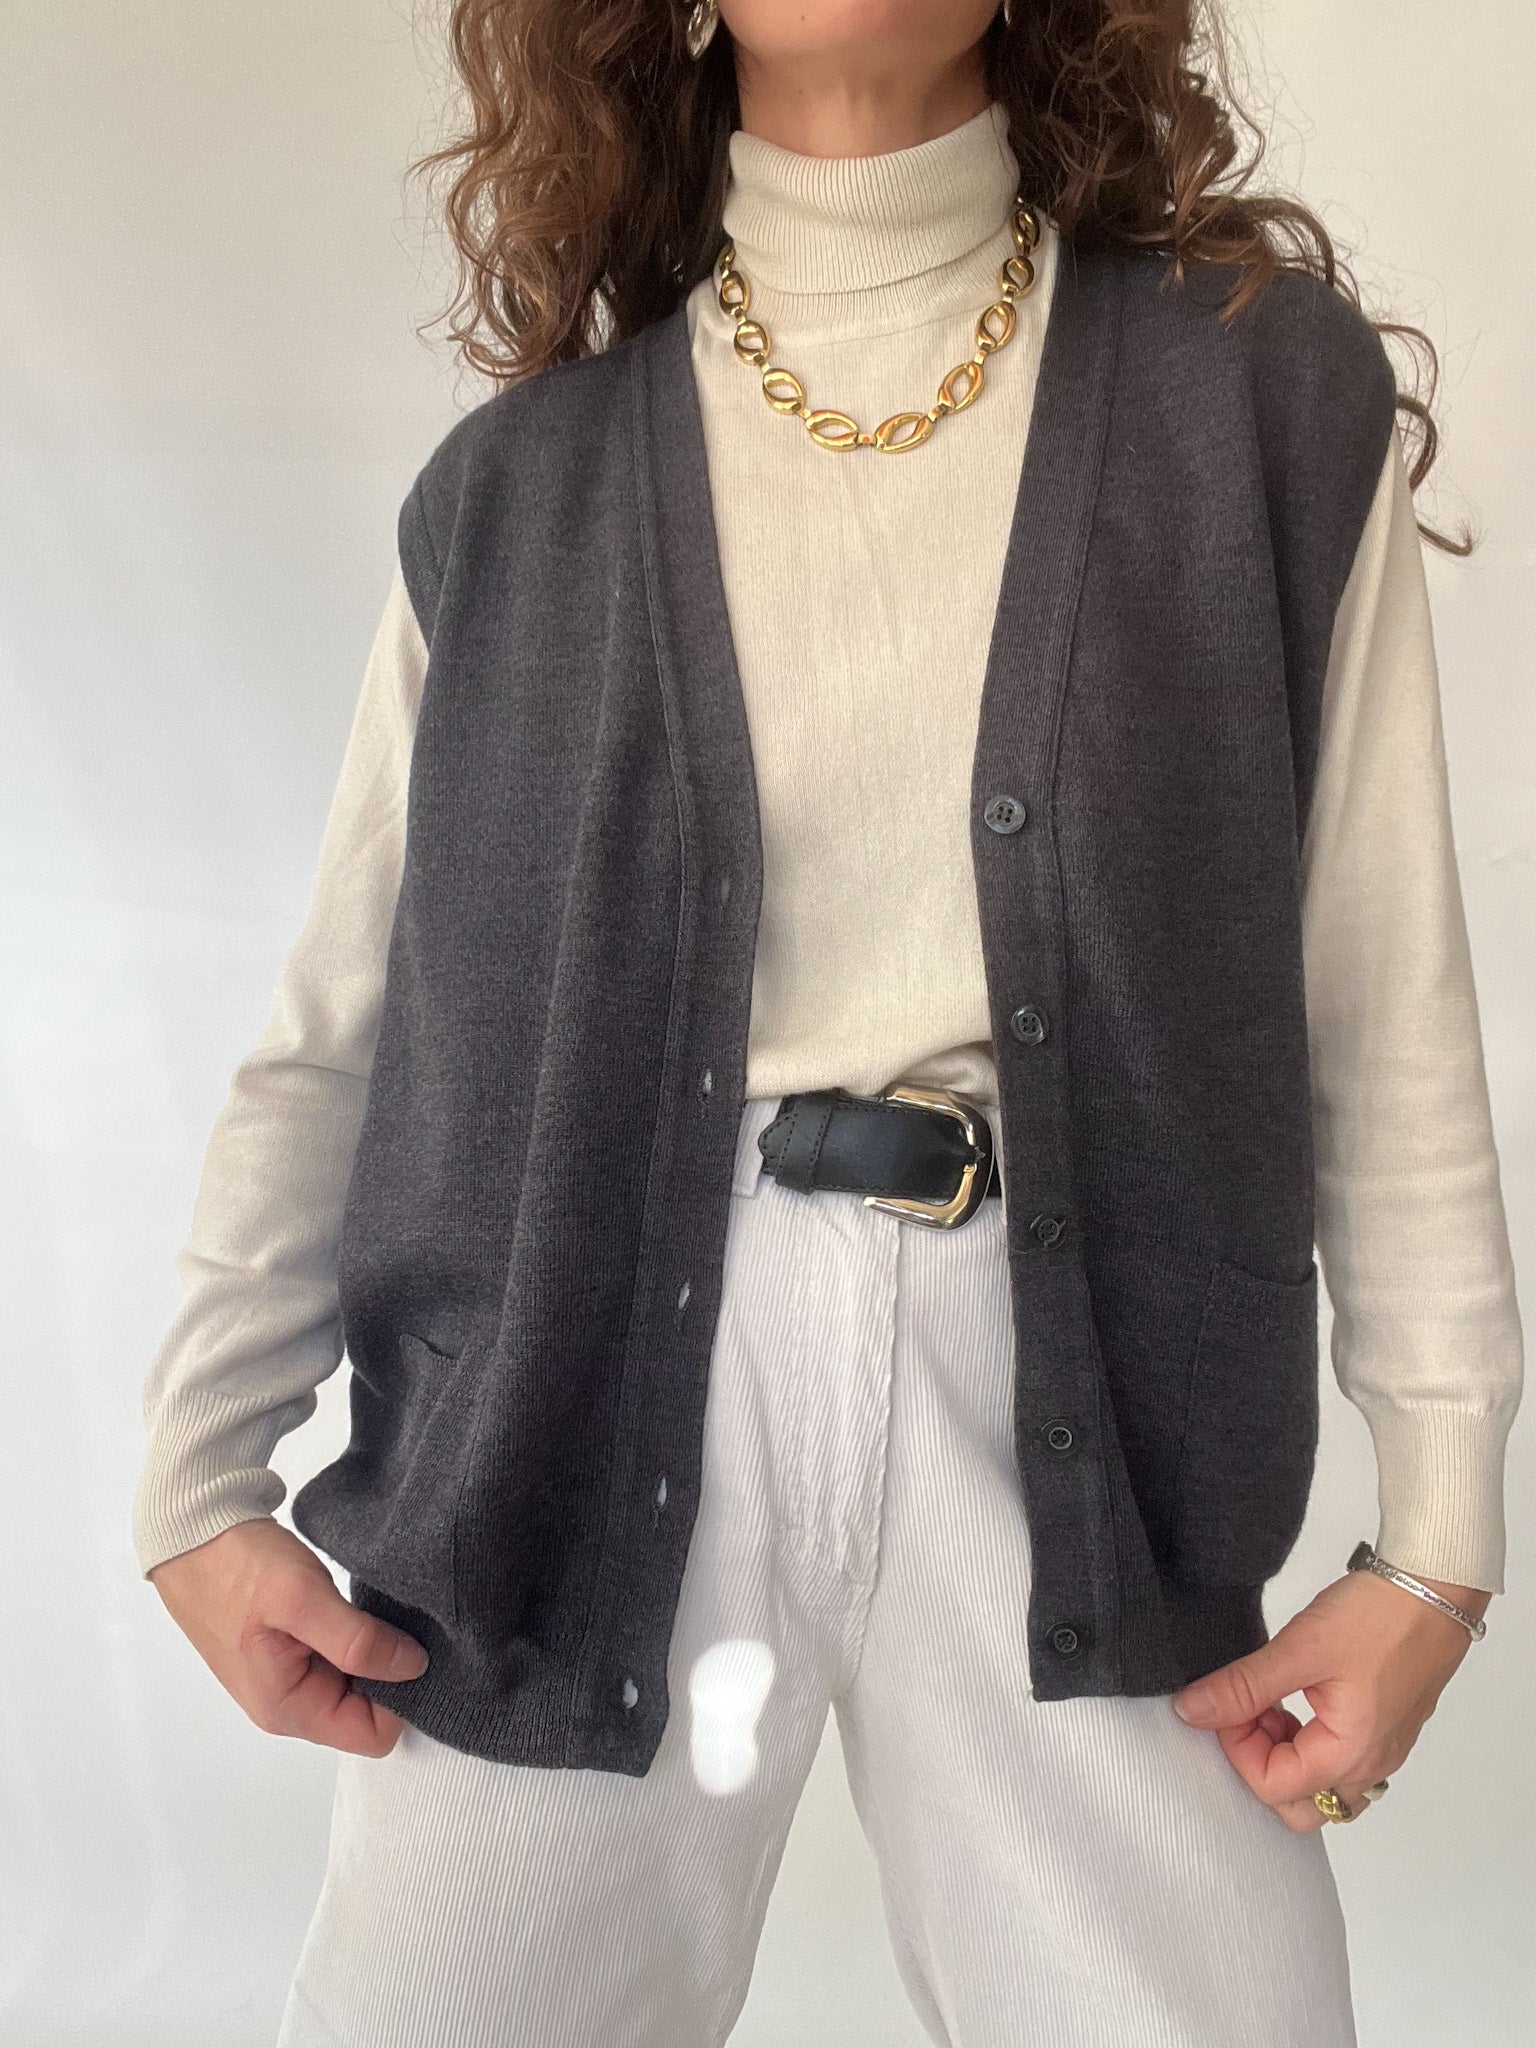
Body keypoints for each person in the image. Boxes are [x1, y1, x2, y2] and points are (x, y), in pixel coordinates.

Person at [133, 2, 1524, 2043]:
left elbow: (1379, 994)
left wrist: (1440, 1543)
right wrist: (199, 1467)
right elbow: (343, 1025)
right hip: (572, 1404)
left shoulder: (1249, 398)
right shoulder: (516, 493)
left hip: (1079, 1416)